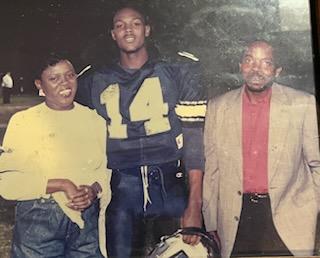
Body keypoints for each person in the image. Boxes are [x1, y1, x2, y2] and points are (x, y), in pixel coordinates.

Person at [76, 4, 206, 258]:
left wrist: (195, 203)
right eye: (120, 25)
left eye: (135, 23)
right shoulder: (93, 79)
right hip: (121, 187)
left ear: (147, 29)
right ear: (112, 33)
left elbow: (194, 140)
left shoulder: (178, 70)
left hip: (170, 184)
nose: (128, 30)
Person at [202, 40, 320, 257]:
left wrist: (311, 207)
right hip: (236, 219)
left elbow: (316, 163)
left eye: (266, 63)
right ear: (240, 66)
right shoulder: (218, 107)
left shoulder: (302, 104)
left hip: (289, 214)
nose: (256, 69)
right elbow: (212, 171)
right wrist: (211, 223)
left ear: (277, 70)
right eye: (249, 60)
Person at [0, 56, 111, 257]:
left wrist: (93, 190)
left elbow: (103, 171)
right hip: (39, 221)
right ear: (39, 85)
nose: (65, 83)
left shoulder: (94, 120)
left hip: (86, 223)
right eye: (54, 78)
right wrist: (61, 184)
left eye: (70, 76)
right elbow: (7, 184)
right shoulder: (25, 121)